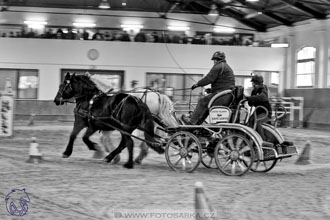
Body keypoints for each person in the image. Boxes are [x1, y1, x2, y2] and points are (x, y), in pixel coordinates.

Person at [181, 51, 235, 125]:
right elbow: (223, 83)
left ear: (215, 59)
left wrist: (197, 84)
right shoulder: (226, 66)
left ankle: (192, 121)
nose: (214, 62)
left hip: (222, 95)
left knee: (202, 102)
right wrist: (211, 90)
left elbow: (209, 78)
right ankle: (198, 122)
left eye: (214, 60)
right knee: (206, 105)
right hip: (225, 94)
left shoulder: (218, 66)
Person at [246, 74, 272, 140]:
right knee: (249, 121)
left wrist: (250, 98)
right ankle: (250, 139)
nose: (252, 84)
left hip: (265, 111)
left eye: (253, 82)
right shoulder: (254, 91)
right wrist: (248, 99)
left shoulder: (263, 88)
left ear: (255, 83)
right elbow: (251, 104)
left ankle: (262, 141)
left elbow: (263, 97)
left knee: (257, 122)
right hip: (258, 111)